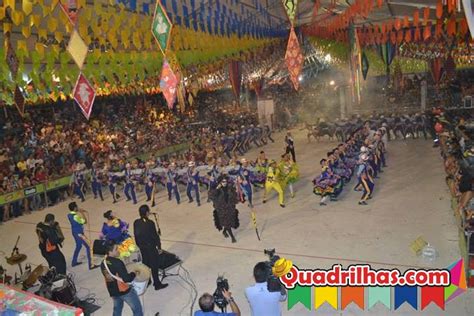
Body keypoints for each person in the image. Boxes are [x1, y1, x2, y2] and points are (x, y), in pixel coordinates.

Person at [101, 241, 144, 316]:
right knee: (137, 310)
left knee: (117, 309)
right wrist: (134, 273)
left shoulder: (103, 263)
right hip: (124, 291)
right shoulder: (118, 262)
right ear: (110, 251)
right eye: (116, 249)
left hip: (113, 291)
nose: (119, 250)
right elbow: (127, 279)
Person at [133, 205, 168, 290]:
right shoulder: (150, 223)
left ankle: (147, 280)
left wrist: (139, 245)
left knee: (146, 263)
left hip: (142, 247)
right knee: (154, 265)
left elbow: (136, 235)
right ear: (147, 212)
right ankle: (157, 284)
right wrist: (159, 247)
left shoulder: (136, 222)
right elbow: (155, 236)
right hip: (150, 247)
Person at [67, 202, 98, 269]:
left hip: (74, 232)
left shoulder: (69, 215)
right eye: (77, 207)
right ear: (75, 208)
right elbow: (85, 221)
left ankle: (74, 261)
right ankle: (91, 265)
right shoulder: (76, 216)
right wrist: (82, 213)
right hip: (79, 233)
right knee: (88, 246)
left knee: (78, 246)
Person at [209, 175, 239, 243]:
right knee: (226, 222)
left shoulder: (230, 187)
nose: (225, 183)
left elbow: (234, 195)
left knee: (230, 221)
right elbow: (211, 196)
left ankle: (224, 231)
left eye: (226, 181)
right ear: (220, 182)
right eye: (223, 181)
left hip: (230, 208)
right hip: (221, 209)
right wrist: (217, 189)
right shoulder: (216, 188)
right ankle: (232, 237)